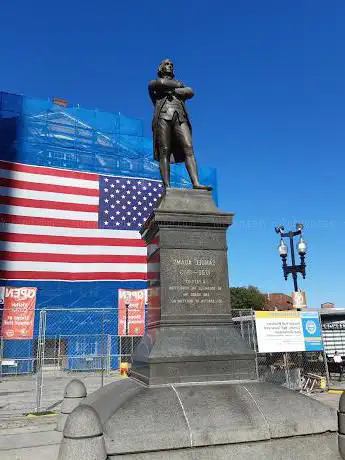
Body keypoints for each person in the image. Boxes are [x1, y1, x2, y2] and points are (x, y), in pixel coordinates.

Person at [149, 59, 212, 190]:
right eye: (166, 64)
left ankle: (196, 183)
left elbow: (190, 91)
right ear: (160, 68)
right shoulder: (154, 83)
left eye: (171, 65)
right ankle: (167, 186)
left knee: (188, 147)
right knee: (164, 151)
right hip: (163, 116)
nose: (170, 66)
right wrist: (177, 85)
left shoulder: (178, 87)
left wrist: (175, 91)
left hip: (180, 117)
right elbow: (159, 83)